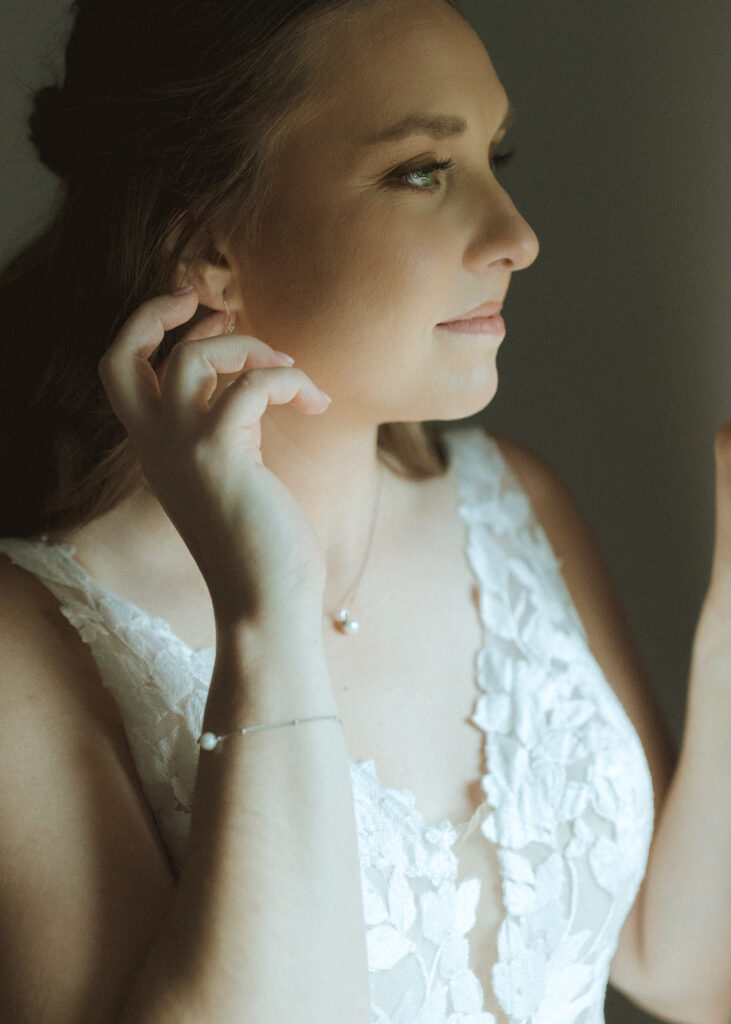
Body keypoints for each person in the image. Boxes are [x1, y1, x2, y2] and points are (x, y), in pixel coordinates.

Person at [0, 0, 729, 1021]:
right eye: (422, 171)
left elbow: (686, 968)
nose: (515, 236)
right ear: (207, 239)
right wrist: (269, 607)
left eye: (492, 156)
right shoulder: (29, 652)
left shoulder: (513, 506)